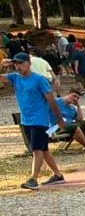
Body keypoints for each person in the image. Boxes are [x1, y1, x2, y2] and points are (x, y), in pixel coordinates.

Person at [3, 53, 68, 189]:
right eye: (16, 63)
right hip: (26, 120)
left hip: (40, 119)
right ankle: (58, 174)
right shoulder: (15, 78)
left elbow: (51, 100)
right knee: (43, 149)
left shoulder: (39, 79)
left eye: (21, 63)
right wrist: (2, 65)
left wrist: (59, 119)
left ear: (29, 63)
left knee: (36, 149)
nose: (19, 66)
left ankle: (33, 179)